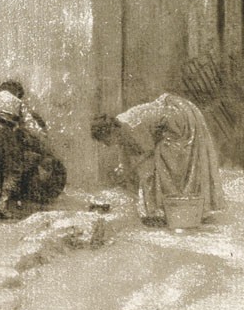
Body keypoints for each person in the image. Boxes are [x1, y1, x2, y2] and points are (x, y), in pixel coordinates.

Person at [91, 92, 225, 226]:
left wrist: (128, 173)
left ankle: (168, 211)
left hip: (181, 120)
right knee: (157, 165)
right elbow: (128, 152)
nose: (106, 145)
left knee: (164, 165)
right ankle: (168, 209)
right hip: (175, 111)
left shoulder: (132, 128)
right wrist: (125, 169)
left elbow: (146, 163)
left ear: (111, 132)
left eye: (105, 140)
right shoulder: (120, 123)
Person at [0, 82, 65, 217]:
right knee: (13, 169)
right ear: (17, 92)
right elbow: (31, 126)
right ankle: (3, 206)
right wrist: (44, 142)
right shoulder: (17, 101)